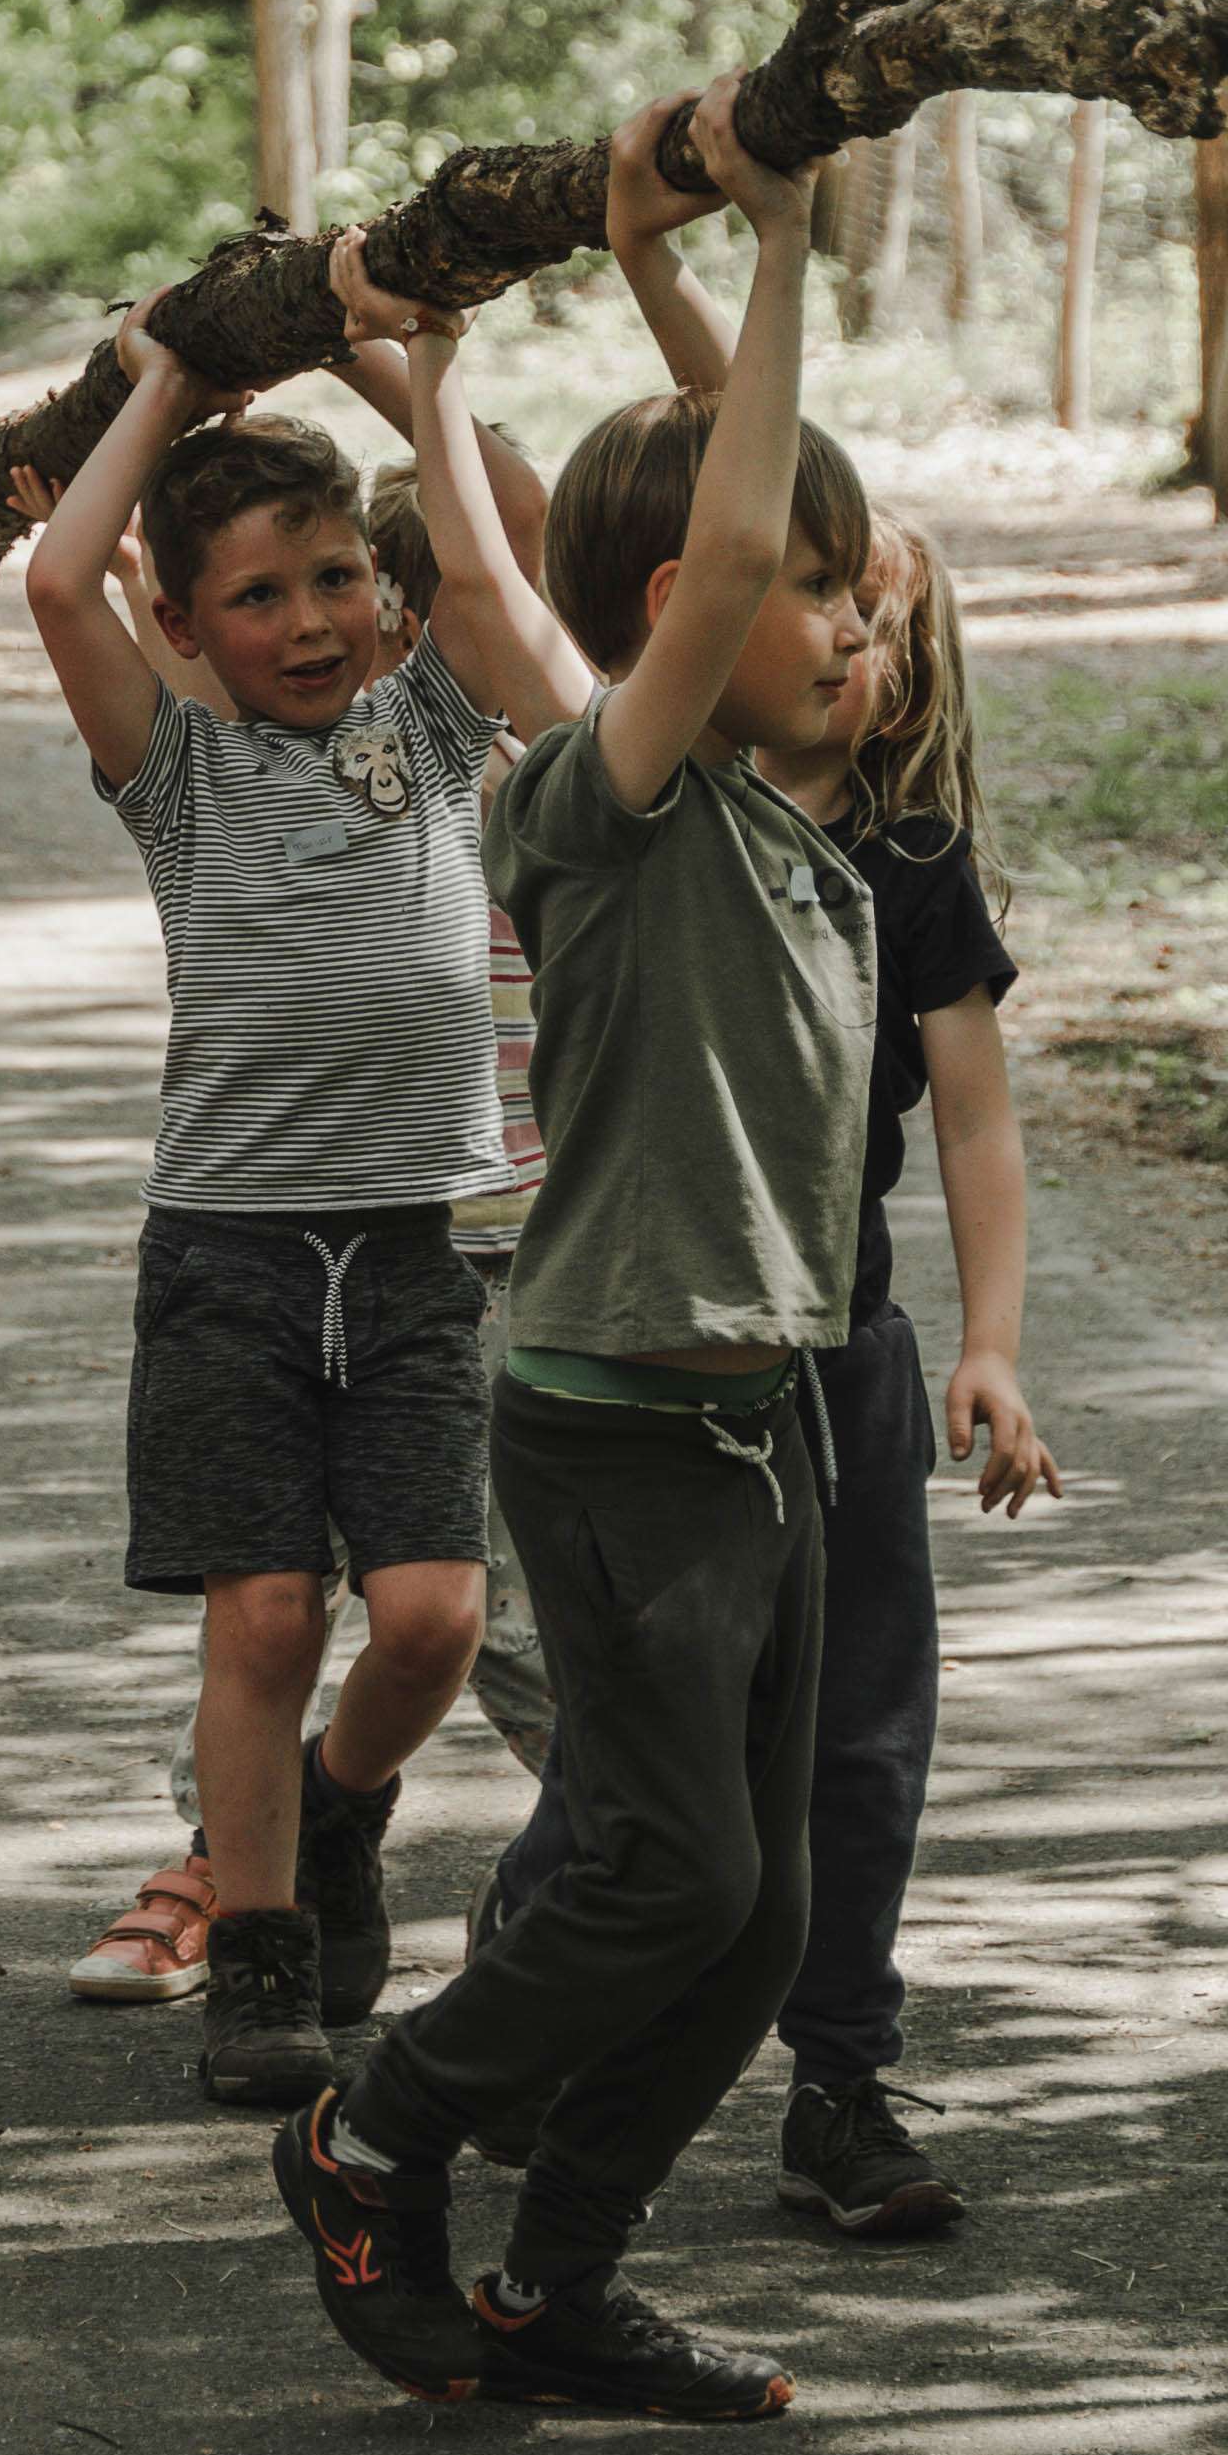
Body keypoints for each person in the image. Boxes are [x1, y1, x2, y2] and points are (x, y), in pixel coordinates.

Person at [272, 76, 866, 2422]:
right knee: (660, 1873)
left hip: (762, 1423)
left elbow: (631, 555)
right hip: (618, 1427)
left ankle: (555, 2284)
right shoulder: (609, 813)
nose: (851, 603)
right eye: (817, 587)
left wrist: (613, 280)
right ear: (687, 622)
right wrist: (791, 231)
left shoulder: (796, 821)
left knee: (761, 1915)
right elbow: (679, 576)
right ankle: (371, 2133)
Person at [24, 236, 593, 2109]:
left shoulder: (434, 736)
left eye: (339, 574)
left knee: (430, 1617)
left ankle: (340, 1817)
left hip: (425, 1244)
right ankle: (264, 1961)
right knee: (265, 1612)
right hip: (234, 1254)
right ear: (184, 628)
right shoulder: (176, 773)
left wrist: (402, 376)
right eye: (257, 594)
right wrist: (166, 386)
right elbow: (53, 575)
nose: (311, 615)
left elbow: (506, 562)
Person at [465, 511, 1057, 2241]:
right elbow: (662, 522)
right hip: (663, 1366)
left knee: (858, 1741)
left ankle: (842, 2080)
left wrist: (993, 1346)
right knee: (647, 1744)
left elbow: (975, 1114)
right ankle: (521, 2019)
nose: (852, 645)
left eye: (876, 623)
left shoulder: (908, 856)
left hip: (841, 1358)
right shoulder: (637, 809)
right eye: (815, 602)